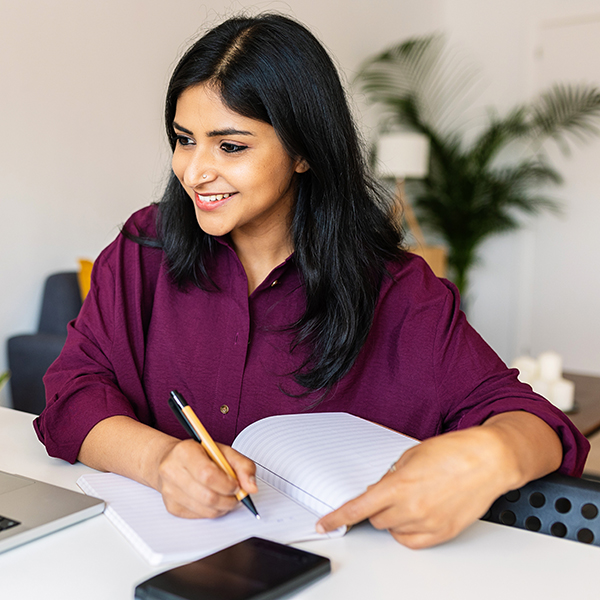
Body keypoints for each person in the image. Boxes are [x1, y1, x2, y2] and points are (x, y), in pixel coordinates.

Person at [34, 13, 588, 549]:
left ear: (303, 151)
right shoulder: (146, 247)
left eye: (230, 146)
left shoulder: (397, 290)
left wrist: (489, 457)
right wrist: (159, 461)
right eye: (184, 139)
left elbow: (534, 422)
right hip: (140, 562)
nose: (194, 171)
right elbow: (72, 393)